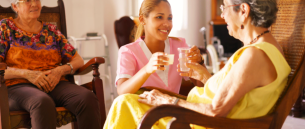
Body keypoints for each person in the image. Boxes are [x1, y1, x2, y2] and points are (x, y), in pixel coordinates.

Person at [104, 0, 291, 128]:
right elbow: (234, 95)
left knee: (124, 103)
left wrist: (169, 101)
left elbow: (216, 110)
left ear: (243, 11)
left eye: (224, 7)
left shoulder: (254, 55)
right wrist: (203, 75)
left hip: (195, 122)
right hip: (195, 113)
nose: (223, 15)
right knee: (126, 100)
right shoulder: (266, 48)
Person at [0, 0, 101, 128]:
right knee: (41, 101)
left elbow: (78, 60)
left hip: (54, 83)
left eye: (36, 0)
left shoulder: (51, 30)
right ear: (15, 6)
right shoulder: (5, 28)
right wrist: (28, 74)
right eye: (27, 1)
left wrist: (60, 71)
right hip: (17, 86)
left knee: (87, 98)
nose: (34, 4)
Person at [115, 0, 203, 95]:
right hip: (143, 109)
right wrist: (146, 69)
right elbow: (122, 91)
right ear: (142, 20)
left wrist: (199, 63)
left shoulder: (180, 45)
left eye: (169, 18)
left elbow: (202, 87)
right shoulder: (128, 51)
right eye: (159, 17)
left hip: (172, 108)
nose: (167, 24)